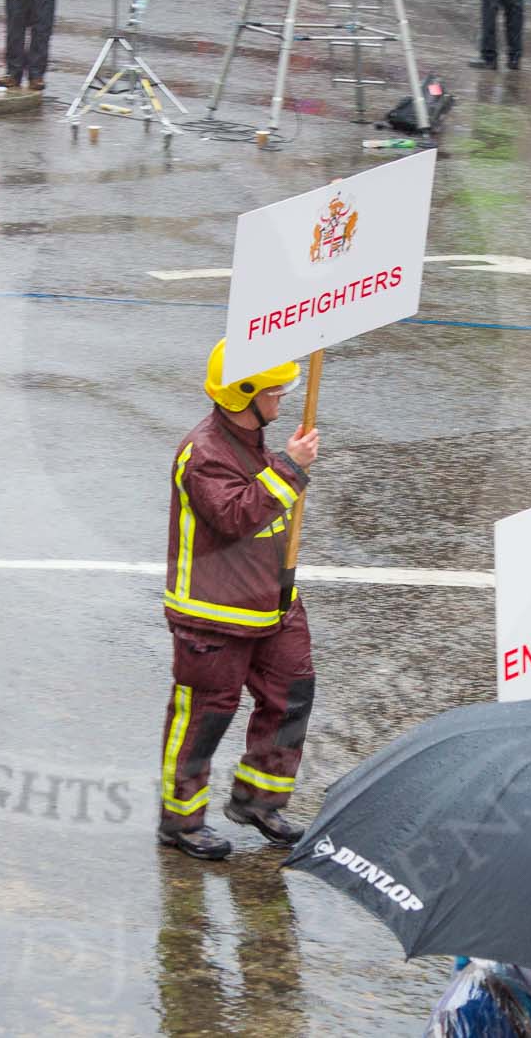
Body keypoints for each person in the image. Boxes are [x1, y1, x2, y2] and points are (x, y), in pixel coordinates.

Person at [157, 341, 319, 861]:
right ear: (243, 394)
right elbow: (234, 517)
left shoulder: (253, 442)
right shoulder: (202, 454)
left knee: (292, 695)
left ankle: (258, 799)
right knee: (205, 715)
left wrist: (284, 465)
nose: (282, 398)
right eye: (275, 389)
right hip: (214, 616)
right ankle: (181, 822)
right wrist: (290, 469)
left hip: (272, 603)